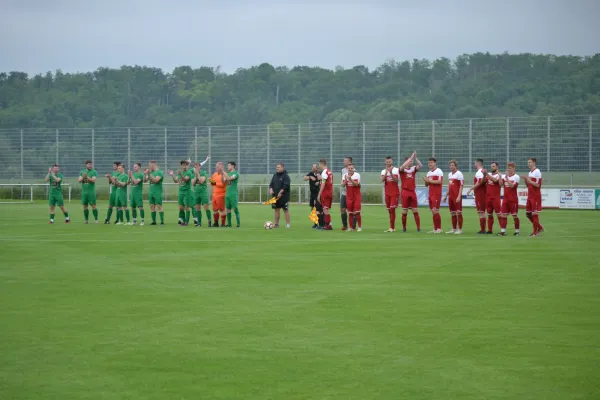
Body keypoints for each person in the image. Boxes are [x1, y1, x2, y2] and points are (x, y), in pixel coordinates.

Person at [398, 151, 422, 232]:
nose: (411, 162)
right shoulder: (402, 169)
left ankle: (418, 228)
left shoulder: (413, 169)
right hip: (405, 192)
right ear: (406, 162)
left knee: (415, 210)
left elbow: (420, 165)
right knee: (404, 210)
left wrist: (415, 158)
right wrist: (411, 157)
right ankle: (404, 228)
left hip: (412, 191)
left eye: (412, 161)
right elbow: (402, 167)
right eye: (410, 161)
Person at [521, 157, 544, 236]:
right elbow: (529, 185)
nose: (528, 164)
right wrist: (526, 181)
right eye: (528, 162)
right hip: (530, 196)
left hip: (535, 196)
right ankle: (539, 227)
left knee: (534, 214)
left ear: (534, 163)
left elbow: (537, 185)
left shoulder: (537, 172)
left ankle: (535, 232)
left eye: (530, 162)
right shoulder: (530, 173)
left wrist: (529, 180)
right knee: (528, 214)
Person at [168, 160, 193, 226]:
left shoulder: (189, 172)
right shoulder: (180, 172)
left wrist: (181, 174)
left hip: (187, 192)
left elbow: (185, 179)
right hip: (181, 192)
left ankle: (186, 222)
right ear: (181, 166)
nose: (184, 166)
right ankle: (182, 221)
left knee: (187, 207)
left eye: (186, 165)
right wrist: (172, 175)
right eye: (183, 165)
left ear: (187, 166)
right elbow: (176, 181)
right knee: (181, 208)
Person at [499, 162, 520, 236]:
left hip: (513, 199)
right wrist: (500, 177)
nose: (509, 170)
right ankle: (503, 231)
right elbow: (501, 185)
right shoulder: (505, 176)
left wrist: (507, 178)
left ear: (514, 168)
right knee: (503, 215)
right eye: (508, 168)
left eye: (510, 168)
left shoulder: (516, 177)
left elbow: (512, 186)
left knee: (514, 215)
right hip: (505, 199)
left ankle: (517, 231)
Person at [466, 158, 487, 234]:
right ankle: (483, 229)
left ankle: (483, 229)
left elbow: (480, 182)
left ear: (477, 163)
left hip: (480, 194)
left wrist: (470, 189)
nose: (474, 164)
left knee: (481, 212)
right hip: (480, 193)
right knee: (481, 212)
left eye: (475, 163)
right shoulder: (481, 171)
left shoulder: (480, 172)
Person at [423, 157, 443, 233]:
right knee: (432, 211)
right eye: (429, 163)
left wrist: (429, 180)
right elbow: (426, 185)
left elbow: (439, 181)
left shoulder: (439, 171)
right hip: (430, 193)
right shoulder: (429, 173)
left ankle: (439, 228)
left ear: (435, 163)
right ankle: (435, 228)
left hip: (436, 193)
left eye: (431, 162)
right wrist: (426, 181)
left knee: (435, 211)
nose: (430, 164)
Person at [443, 160, 464, 234]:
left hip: (456, 196)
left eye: (453, 165)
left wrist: (459, 196)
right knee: (452, 213)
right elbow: (449, 186)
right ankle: (453, 229)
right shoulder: (449, 174)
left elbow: (461, 186)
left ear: (456, 166)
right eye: (450, 165)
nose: (451, 166)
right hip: (451, 196)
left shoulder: (459, 174)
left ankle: (460, 229)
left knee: (458, 212)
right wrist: (446, 196)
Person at [269, 162, 291, 228]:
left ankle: (288, 225)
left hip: (284, 197)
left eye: (278, 167)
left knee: (285, 210)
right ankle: (276, 224)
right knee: (276, 209)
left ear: (282, 168)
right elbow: (271, 184)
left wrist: (280, 192)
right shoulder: (275, 175)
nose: (277, 168)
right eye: (276, 167)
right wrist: (271, 189)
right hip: (275, 197)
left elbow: (286, 186)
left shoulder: (286, 176)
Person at [381, 156, 400, 232]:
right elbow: (382, 180)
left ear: (392, 161)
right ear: (385, 162)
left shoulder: (396, 170)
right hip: (387, 193)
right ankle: (392, 227)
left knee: (392, 209)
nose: (388, 163)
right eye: (387, 161)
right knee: (389, 211)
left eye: (389, 161)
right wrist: (386, 172)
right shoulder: (383, 171)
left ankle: (392, 228)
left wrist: (391, 173)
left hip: (394, 193)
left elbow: (396, 181)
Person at [342, 163, 362, 231]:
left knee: (357, 212)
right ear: (347, 169)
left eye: (351, 168)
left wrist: (350, 179)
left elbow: (356, 184)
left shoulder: (357, 175)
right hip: (349, 197)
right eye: (349, 168)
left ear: (353, 169)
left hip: (356, 196)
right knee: (350, 212)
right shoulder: (345, 175)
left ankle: (359, 227)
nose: (350, 169)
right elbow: (342, 185)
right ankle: (350, 227)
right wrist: (345, 180)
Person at [144, 160, 165, 226]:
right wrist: (145, 174)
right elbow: (144, 180)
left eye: (150, 165)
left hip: (157, 192)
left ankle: (162, 221)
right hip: (151, 192)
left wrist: (149, 174)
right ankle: (154, 221)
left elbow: (156, 180)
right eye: (149, 166)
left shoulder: (159, 172)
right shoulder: (151, 172)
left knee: (159, 206)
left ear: (154, 165)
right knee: (152, 206)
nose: (149, 167)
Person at [484, 162, 502, 234]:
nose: (492, 167)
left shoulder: (499, 175)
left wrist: (486, 174)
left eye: (493, 166)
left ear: (497, 167)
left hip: (495, 198)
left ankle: (502, 230)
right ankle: (489, 230)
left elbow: (495, 180)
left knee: (498, 214)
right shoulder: (489, 175)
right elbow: (484, 181)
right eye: (491, 166)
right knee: (489, 214)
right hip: (488, 198)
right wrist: (483, 175)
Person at [192, 161, 212, 227]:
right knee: (197, 208)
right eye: (194, 167)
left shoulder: (203, 173)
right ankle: (199, 223)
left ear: (200, 167)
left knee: (206, 208)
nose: (195, 168)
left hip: (203, 193)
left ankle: (209, 221)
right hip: (196, 193)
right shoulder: (193, 174)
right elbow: (193, 183)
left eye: (197, 167)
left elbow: (201, 181)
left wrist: (198, 174)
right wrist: (195, 175)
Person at [317, 158, 334, 230]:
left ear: (321, 164)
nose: (319, 166)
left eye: (319, 164)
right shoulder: (329, 172)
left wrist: (319, 194)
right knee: (326, 209)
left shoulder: (324, 172)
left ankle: (328, 225)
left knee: (325, 209)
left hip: (325, 193)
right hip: (329, 192)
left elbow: (323, 184)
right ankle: (328, 224)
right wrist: (321, 179)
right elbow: (327, 181)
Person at [303, 164, 321, 228]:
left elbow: (324, 181)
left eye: (314, 168)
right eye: (312, 167)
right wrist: (310, 177)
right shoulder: (311, 173)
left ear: (317, 168)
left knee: (318, 208)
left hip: (319, 193)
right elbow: (304, 178)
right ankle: (315, 223)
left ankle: (321, 223)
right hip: (312, 194)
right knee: (313, 208)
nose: (313, 169)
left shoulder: (320, 173)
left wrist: (319, 182)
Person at [210, 162, 227, 227]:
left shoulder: (225, 174)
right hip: (214, 194)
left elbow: (222, 185)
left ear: (221, 167)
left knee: (222, 209)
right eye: (216, 166)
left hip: (221, 194)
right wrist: (213, 182)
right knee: (215, 209)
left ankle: (223, 224)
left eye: (217, 167)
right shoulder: (214, 174)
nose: (216, 168)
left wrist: (215, 183)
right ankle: (216, 223)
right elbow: (211, 182)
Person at [224, 161, 240, 227]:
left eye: (229, 165)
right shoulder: (227, 173)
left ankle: (238, 223)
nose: (228, 167)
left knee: (235, 208)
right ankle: (229, 224)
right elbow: (224, 181)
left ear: (233, 166)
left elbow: (229, 178)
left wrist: (223, 173)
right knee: (227, 209)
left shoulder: (236, 173)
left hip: (233, 194)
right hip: (227, 194)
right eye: (228, 165)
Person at [339, 156, 351, 230]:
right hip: (344, 193)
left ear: (349, 162)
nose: (344, 162)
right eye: (344, 161)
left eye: (345, 161)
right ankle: (345, 226)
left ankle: (352, 226)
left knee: (352, 210)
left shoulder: (354, 171)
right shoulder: (342, 170)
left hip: (351, 193)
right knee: (342, 209)